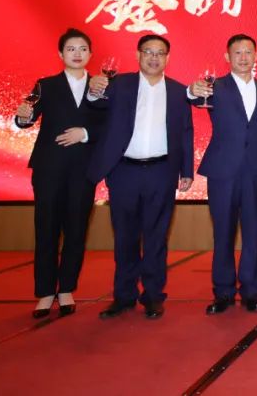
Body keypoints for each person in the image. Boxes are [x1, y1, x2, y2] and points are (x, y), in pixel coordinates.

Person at [87, 34, 194, 320]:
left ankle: (153, 295)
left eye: (160, 53)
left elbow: (185, 132)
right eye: (148, 52)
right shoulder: (119, 85)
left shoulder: (178, 91)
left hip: (162, 171)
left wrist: (186, 171)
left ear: (168, 58)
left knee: (156, 237)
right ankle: (123, 296)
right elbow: (96, 104)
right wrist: (94, 90)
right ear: (138, 55)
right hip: (124, 171)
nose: (154, 58)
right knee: (125, 236)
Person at [189, 34, 257, 315]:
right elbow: (193, 98)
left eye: (248, 52)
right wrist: (192, 91)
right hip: (223, 170)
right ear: (227, 57)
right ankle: (223, 292)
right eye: (237, 52)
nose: (243, 57)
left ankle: (251, 291)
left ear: (256, 56)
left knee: (254, 232)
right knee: (223, 232)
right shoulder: (213, 87)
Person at [14, 28, 104, 319]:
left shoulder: (101, 86)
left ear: (90, 54)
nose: (77, 54)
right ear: (60, 54)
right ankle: (44, 292)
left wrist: (85, 133)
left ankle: (66, 289)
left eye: (83, 49)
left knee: (76, 229)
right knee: (46, 228)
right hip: (49, 167)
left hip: (83, 169)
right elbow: (26, 116)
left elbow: (112, 125)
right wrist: (22, 117)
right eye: (71, 49)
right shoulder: (46, 85)